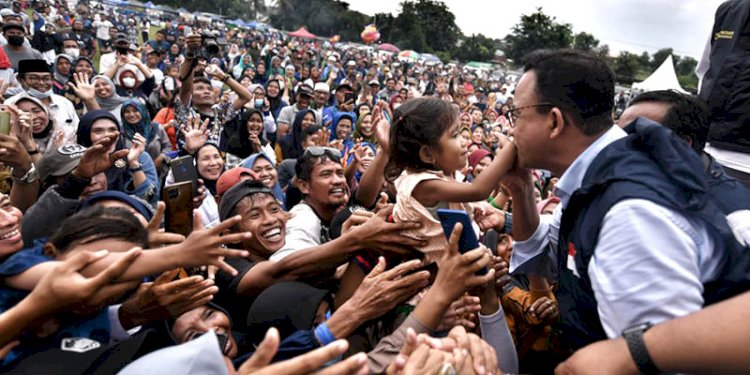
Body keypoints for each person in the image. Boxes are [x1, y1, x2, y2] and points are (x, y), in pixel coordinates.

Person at [487, 49, 748, 362]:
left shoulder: (630, 213)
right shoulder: (595, 180)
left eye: (517, 115)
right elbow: (544, 256)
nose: (511, 129)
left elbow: (664, 362)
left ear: (554, 122)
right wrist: (521, 188)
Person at [385, 97, 515, 258]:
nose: (464, 141)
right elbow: (478, 190)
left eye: (461, 132)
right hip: (431, 273)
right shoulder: (422, 184)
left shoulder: (442, 177)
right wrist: (510, 149)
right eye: (454, 135)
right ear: (427, 154)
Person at [76, 110, 160, 205]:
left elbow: (150, 198)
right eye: (98, 131)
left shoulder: (139, 156)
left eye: (112, 130)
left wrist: (134, 164)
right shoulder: (75, 162)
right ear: (85, 134)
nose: (107, 135)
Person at [7, 59, 79, 133]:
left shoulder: (64, 103)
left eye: (46, 78)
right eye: (34, 78)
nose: (41, 83)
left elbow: (77, 130)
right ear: (20, 80)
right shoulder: (10, 105)